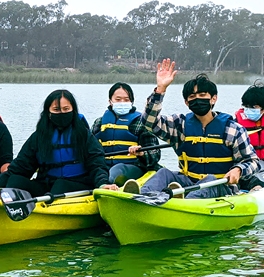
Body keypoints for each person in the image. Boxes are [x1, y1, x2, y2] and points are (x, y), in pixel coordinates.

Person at [125, 58, 260, 199]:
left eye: (202, 95)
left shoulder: (233, 129)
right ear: (186, 102)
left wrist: (239, 169)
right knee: (164, 174)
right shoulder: (180, 125)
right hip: (188, 182)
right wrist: (160, 90)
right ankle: (144, 197)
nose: (197, 99)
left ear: (213, 99)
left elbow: (252, 161)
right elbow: (149, 122)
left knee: (210, 180)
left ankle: (182, 203)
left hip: (221, 187)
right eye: (192, 97)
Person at [0, 89, 118, 197]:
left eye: (66, 109)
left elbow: (97, 164)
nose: (61, 113)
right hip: (47, 185)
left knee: (61, 185)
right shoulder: (39, 137)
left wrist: (102, 183)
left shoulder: (84, 135)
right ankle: (8, 203)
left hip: (77, 186)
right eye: (56, 110)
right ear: (49, 113)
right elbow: (19, 167)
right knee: (15, 180)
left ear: (73, 111)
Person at [92, 82, 161, 186]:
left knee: (116, 171)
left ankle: (111, 186)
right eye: (118, 99)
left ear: (132, 102)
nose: (122, 102)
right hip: (104, 167)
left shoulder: (141, 122)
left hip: (132, 166)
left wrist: (141, 153)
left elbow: (155, 153)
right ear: (110, 101)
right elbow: (89, 149)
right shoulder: (99, 122)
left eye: (126, 99)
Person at [234, 81, 264, 191]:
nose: (249, 109)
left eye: (253, 106)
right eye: (246, 106)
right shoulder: (235, 124)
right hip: (248, 166)